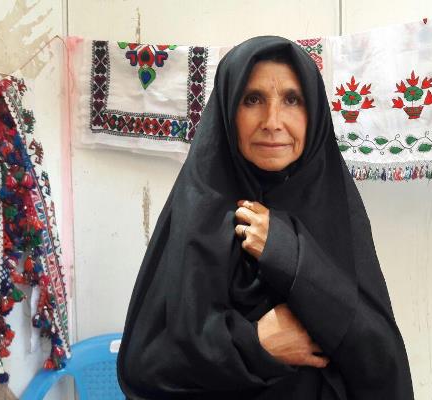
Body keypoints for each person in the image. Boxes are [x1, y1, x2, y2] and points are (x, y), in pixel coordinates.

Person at [117, 35, 414, 399]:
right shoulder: (198, 211)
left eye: (292, 100)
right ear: (228, 110)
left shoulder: (333, 207)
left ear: (314, 112)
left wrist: (290, 255)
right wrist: (255, 345)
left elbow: (382, 363)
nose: (272, 121)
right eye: (253, 99)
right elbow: (143, 369)